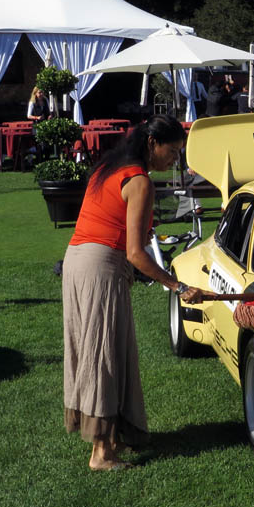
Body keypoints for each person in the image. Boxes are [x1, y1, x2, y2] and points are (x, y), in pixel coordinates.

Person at [62, 114, 209, 471]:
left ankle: (114, 437)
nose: (174, 159)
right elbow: (134, 253)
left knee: (102, 349)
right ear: (152, 144)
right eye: (172, 151)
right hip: (101, 266)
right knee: (104, 355)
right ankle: (101, 453)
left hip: (78, 262)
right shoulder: (139, 180)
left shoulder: (108, 168)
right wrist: (177, 286)